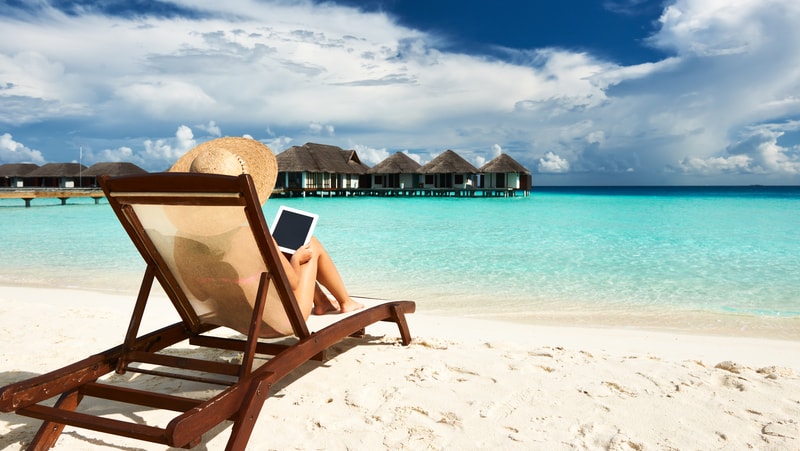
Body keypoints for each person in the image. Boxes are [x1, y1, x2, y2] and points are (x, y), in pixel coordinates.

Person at [169, 136, 363, 322]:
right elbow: (293, 282)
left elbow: (199, 294)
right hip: (278, 320)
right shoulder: (249, 237)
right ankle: (346, 302)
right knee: (310, 244)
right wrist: (295, 260)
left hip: (233, 316)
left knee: (278, 256)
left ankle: (322, 302)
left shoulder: (183, 240)